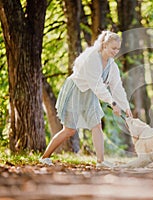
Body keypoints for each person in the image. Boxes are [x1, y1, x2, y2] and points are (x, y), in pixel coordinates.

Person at [39, 30, 132, 168]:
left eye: (118, 49)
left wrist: (126, 107)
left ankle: (100, 161)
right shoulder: (92, 58)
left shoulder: (112, 66)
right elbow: (97, 85)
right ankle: (44, 157)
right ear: (104, 45)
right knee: (69, 130)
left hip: (91, 94)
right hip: (76, 90)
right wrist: (112, 103)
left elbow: (117, 87)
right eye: (113, 48)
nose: (115, 51)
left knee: (97, 125)